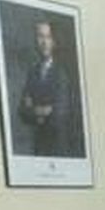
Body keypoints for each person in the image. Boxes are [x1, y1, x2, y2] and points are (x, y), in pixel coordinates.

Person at [18, 21, 75, 157]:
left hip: (58, 147)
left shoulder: (62, 72)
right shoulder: (32, 73)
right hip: (39, 147)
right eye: (40, 37)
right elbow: (22, 111)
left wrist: (34, 110)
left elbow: (60, 112)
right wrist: (43, 111)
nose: (44, 42)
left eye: (48, 37)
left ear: (54, 41)